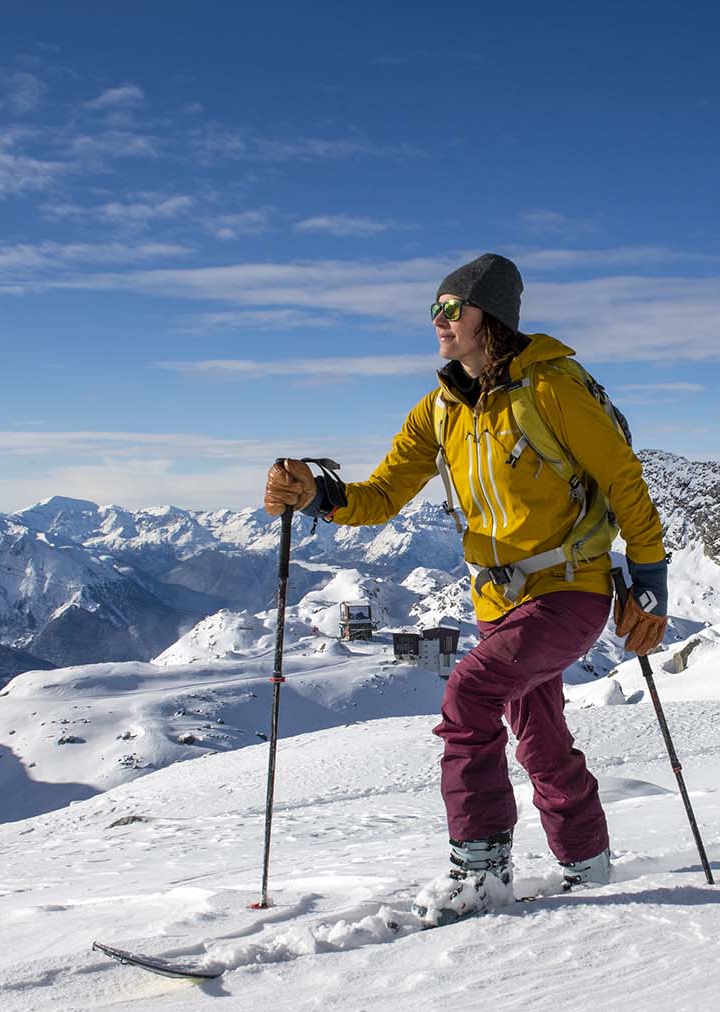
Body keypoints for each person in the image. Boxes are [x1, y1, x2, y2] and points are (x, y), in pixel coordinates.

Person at [261, 253, 670, 925]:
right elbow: (382, 494)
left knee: (470, 693)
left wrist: (649, 584)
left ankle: (481, 870)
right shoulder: (440, 409)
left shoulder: (552, 388)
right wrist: (316, 496)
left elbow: (624, 479)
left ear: (493, 317)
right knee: (539, 738)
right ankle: (588, 865)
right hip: (498, 603)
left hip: (571, 589)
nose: (439, 321)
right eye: (435, 309)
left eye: (452, 309)